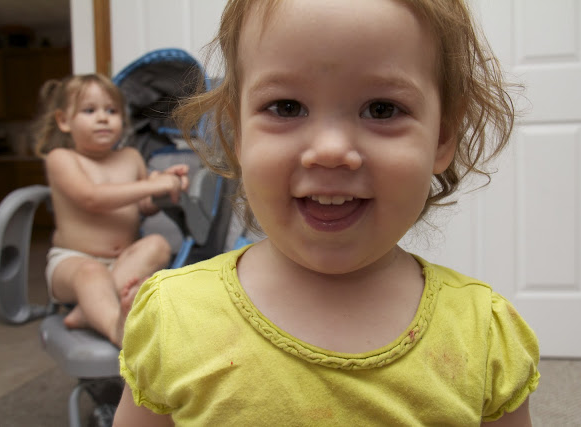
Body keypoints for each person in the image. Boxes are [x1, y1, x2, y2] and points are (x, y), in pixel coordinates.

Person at [114, 0, 540, 425]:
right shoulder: (174, 319)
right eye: (286, 107)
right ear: (238, 131)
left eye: (382, 109)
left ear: (442, 136)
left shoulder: (484, 338)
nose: (331, 150)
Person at [33, 73, 189, 347]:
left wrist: (163, 188)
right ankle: (114, 328)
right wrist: (150, 185)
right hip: (74, 263)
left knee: (158, 244)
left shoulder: (130, 157)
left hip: (122, 262)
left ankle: (87, 312)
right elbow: (91, 198)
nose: (103, 118)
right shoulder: (61, 158)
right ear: (64, 121)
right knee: (91, 273)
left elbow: (144, 206)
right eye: (89, 110)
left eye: (111, 111)